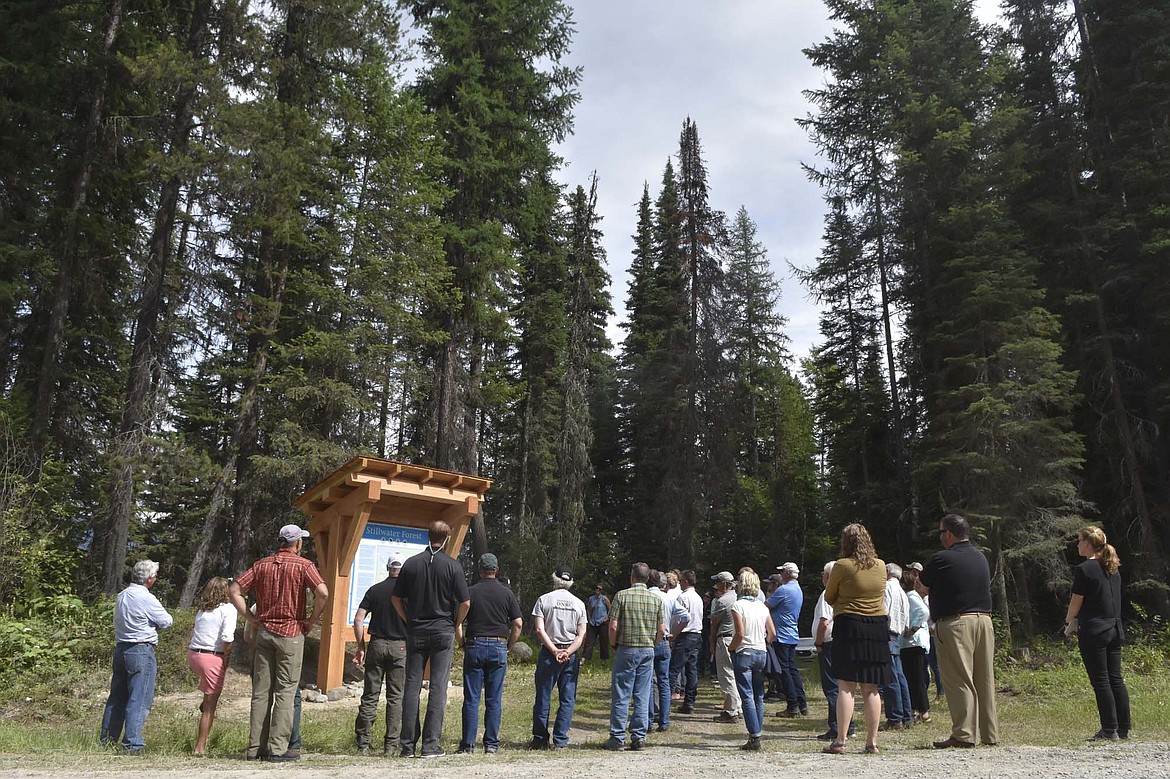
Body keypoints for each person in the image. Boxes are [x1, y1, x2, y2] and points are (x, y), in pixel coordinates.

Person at [229, 524, 328, 762]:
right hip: (291, 631)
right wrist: (312, 620)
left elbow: (234, 590)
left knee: (261, 692)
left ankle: (254, 748)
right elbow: (323, 592)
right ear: (298, 543)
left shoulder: (261, 564)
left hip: (264, 632)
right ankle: (277, 748)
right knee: (285, 691)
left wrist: (250, 618)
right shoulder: (304, 565)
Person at [392, 520, 471, 758]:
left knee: (412, 686)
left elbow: (396, 598)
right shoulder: (453, 566)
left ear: (428, 536)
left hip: (416, 630)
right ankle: (430, 745)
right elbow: (465, 602)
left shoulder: (412, 563)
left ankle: (407, 745)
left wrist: (408, 620)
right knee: (438, 687)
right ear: (447, 538)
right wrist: (455, 624)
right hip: (442, 631)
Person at [919, 513, 999, 749]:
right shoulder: (980, 557)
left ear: (949, 534)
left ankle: (964, 734)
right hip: (984, 621)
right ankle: (989, 733)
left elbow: (922, 584)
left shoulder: (942, 558)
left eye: (941, 532)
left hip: (956, 623)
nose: (940, 537)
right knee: (984, 678)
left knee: (959, 678)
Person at [822, 524, 892, 756]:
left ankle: (840, 740)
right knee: (872, 687)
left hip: (850, 624)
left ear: (845, 542)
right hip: (877, 627)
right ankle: (872, 742)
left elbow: (830, 596)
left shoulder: (842, 566)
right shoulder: (881, 566)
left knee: (846, 684)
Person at [100, 560, 174, 754]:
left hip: (121, 648)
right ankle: (132, 743)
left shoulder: (122, 596)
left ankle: (107, 740)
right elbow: (166, 620)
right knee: (139, 698)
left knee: (117, 697)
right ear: (149, 579)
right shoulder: (146, 598)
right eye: (155, 576)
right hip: (141, 649)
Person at [1065, 526, 1130, 741]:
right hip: (1114, 627)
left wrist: (1069, 620)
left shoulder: (1084, 569)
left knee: (1100, 680)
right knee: (1115, 678)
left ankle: (1109, 729)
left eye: (1079, 540)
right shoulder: (1112, 567)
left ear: (1088, 543)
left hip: (1094, 630)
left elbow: (1077, 600)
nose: (1077, 544)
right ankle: (1123, 727)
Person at [457, 553, 522, 754]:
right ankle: (491, 744)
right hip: (498, 645)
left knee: (471, 698)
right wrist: (509, 645)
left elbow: (457, 623)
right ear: (497, 570)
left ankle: (468, 745)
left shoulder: (470, 592)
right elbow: (518, 623)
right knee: (494, 699)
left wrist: (462, 644)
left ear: (479, 570)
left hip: (475, 645)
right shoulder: (507, 593)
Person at [605, 562, 666, 751]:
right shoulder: (656, 600)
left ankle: (617, 737)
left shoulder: (621, 596)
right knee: (642, 693)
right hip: (647, 649)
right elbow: (662, 630)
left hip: (627, 648)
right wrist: (652, 644)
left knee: (622, 692)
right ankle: (639, 737)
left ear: (631, 577)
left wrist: (613, 643)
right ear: (648, 579)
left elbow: (613, 626)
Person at [353, 552, 409, 756]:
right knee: (395, 697)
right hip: (400, 647)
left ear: (388, 568)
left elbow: (359, 619)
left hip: (376, 644)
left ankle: (363, 744)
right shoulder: (407, 593)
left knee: (370, 695)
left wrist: (361, 646)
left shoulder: (374, 590)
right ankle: (391, 746)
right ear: (403, 571)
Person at [530, 565, 587, 749]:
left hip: (549, 653)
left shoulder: (544, 600)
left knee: (543, 696)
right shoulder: (579, 603)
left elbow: (539, 629)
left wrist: (554, 650)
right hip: (570, 654)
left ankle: (540, 739)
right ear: (571, 582)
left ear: (554, 578)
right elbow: (581, 634)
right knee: (567, 698)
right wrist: (568, 652)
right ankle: (561, 739)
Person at [188, 577, 236, 756]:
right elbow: (227, 638)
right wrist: (226, 656)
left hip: (194, 654)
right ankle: (200, 747)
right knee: (210, 707)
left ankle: (205, 700)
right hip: (212, 656)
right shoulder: (228, 609)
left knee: (208, 695)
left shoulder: (202, 610)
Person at [729, 570, 776, 751]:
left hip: (744, 652)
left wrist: (731, 647)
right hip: (760, 652)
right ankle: (757, 732)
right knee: (758, 695)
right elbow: (772, 633)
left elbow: (740, 633)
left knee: (746, 695)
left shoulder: (738, 606)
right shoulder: (762, 607)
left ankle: (754, 735)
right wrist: (763, 642)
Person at [812, 561, 854, 742]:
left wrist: (818, 642)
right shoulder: (845, 592)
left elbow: (824, 621)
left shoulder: (827, 594)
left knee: (832, 687)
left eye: (823, 573)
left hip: (829, 644)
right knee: (843, 685)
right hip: (842, 642)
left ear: (829, 576)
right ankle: (848, 726)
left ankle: (837, 727)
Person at [768, 562, 807, 718]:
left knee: (784, 672)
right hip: (791, 634)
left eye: (782, 572)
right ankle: (802, 703)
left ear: (786, 573)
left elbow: (766, 606)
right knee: (792, 670)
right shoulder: (798, 589)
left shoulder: (783, 590)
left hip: (781, 636)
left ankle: (792, 705)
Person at [880, 563, 913, 730]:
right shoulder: (902, 592)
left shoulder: (886, 587)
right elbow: (907, 618)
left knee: (890, 678)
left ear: (887, 572)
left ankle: (895, 718)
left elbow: (883, 611)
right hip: (897, 635)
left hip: (886, 634)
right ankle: (907, 716)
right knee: (900, 677)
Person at [708, 571, 742, 724]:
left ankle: (730, 711)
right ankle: (738, 707)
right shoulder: (738, 598)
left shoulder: (722, 602)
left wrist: (712, 643)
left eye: (718, 582)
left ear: (724, 584)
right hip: (737, 638)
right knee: (735, 674)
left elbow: (714, 624)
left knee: (726, 675)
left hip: (725, 639)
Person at [669, 570, 704, 714]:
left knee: (673, 669)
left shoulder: (683, 598)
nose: (679, 583)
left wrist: (674, 633)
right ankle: (689, 702)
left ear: (686, 582)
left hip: (685, 635)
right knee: (691, 670)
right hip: (696, 635)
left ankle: (663, 702)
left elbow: (680, 619)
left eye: (681, 581)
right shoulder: (698, 597)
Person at [901, 570, 931, 723]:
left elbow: (924, 611)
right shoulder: (909, 596)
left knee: (917, 678)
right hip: (909, 644)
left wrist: (913, 628)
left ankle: (924, 711)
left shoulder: (911, 596)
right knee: (911, 677)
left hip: (914, 642)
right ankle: (915, 708)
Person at [647, 570, 673, 732]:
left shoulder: (647, 596)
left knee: (648, 682)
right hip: (664, 642)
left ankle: (648, 721)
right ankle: (664, 721)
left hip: (650, 640)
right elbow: (685, 616)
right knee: (664, 682)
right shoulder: (668, 598)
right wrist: (674, 633)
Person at [584, 584, 611, 661]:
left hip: (602, 622)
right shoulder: (591, 599)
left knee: (603, 641)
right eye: (597, 588)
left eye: (600, 589)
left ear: (602, 591)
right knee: (589, 641)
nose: (598, 590)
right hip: (593, 622)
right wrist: (589, 618)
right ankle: (586, 657)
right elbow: (589, 608)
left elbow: (610, 608)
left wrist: (607, 618)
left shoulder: (604, 599)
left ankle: (604, 659)